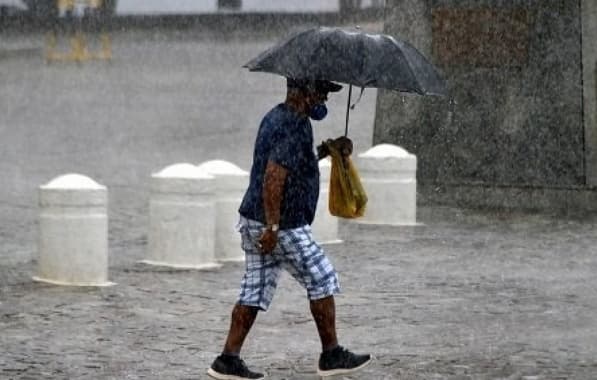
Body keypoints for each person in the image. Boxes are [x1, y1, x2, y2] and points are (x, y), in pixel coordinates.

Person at [207, 78, 371, 380]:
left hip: (254, 218)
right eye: (321, 91)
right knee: (321, 277)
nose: (325, 98)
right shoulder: (294, 125)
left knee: (254, 290)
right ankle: (331, 354)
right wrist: (273, 227)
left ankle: (227, 359)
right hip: (282, 224)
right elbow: (274, 176)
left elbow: (294, 163)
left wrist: (327, 150)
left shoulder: (277, 116)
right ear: (303, 91)